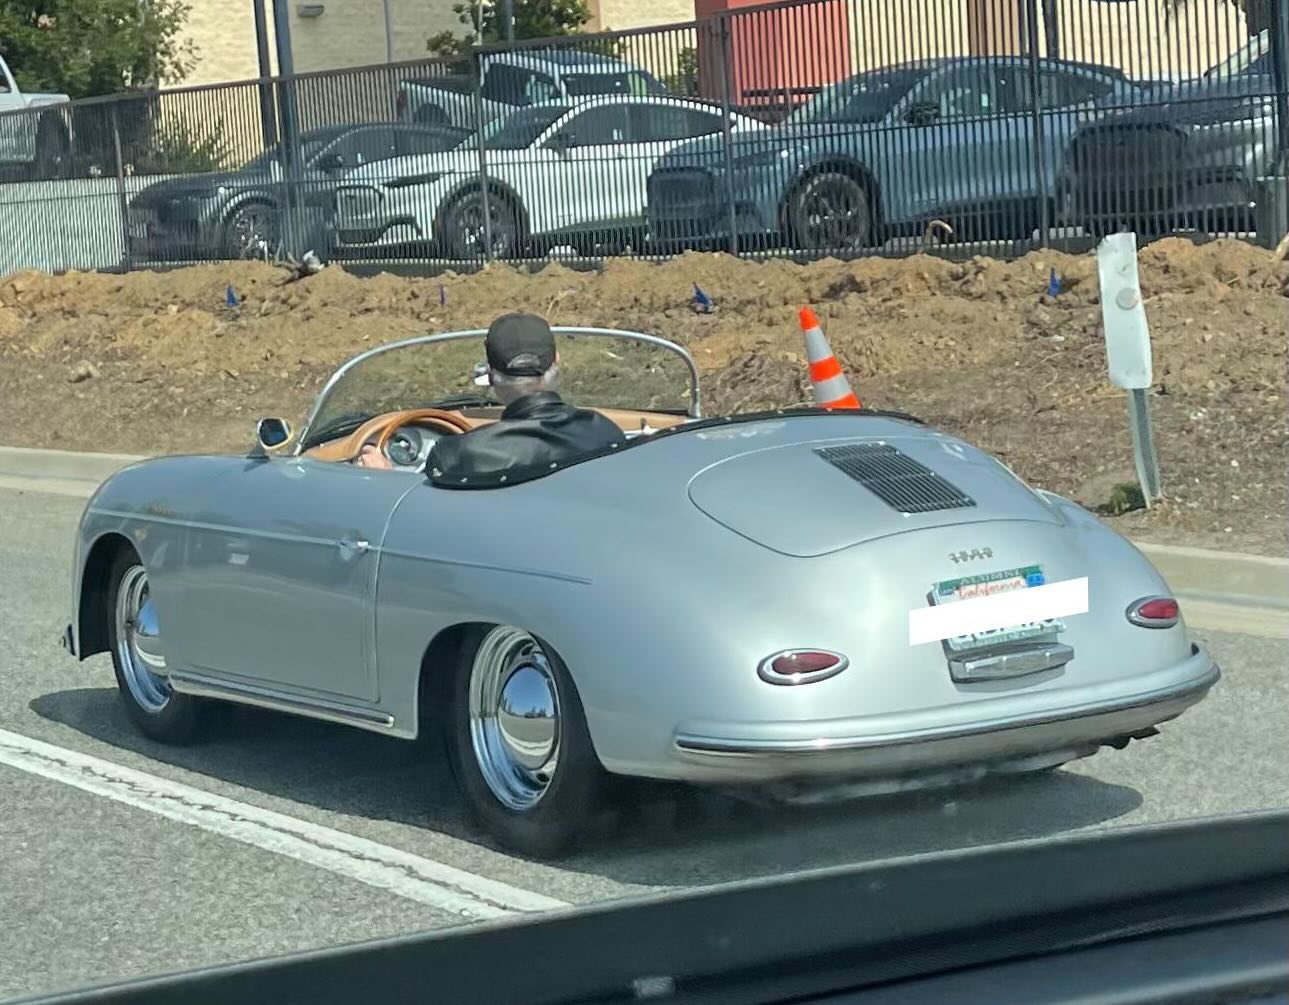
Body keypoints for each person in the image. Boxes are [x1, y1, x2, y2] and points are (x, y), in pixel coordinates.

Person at [357, 312, 624, 483]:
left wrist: (384, 481)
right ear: (556, 362)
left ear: (492, 377)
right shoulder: (604, 431)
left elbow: (426, 522)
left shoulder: (461, 455)